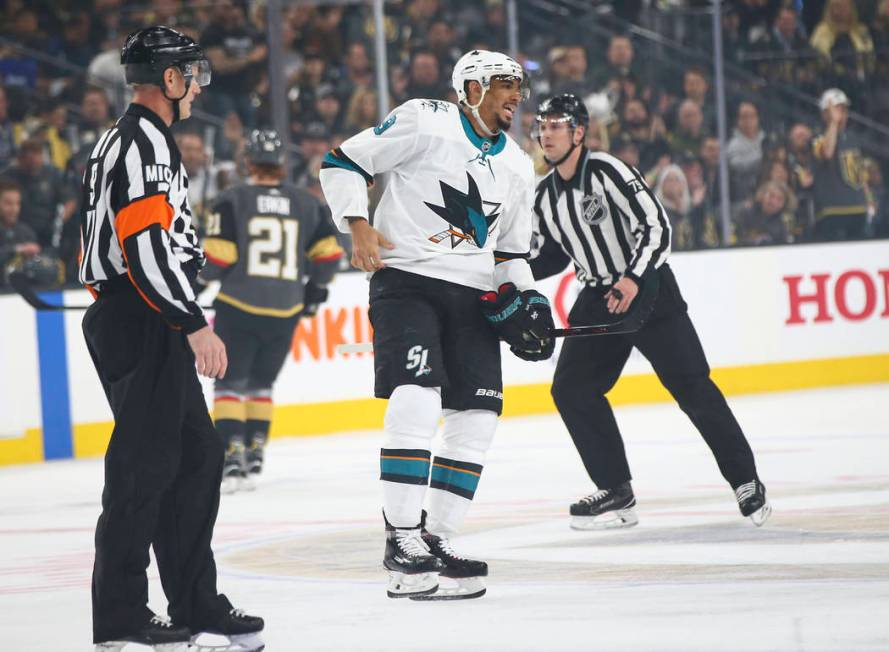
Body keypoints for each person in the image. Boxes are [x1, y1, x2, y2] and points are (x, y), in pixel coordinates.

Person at [319, 49, 554, 600]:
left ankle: (436, 539)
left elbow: (511, 252)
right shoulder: (427, 120)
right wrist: (358, 226)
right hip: (407, 283)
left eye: (518, 84)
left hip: (472, 295)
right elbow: (342, 161)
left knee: (478, 415)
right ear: (471, 89)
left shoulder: (519, 166)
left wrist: (529, 301)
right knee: (418, 398)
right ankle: (401, 536)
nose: (515, 94)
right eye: (503, 83)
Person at [76, 26, 263, 652]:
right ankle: (122, 616)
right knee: (144, 468)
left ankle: (195, 602)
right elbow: (145, 247)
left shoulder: (136, 139)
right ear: (171, 81)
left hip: (144, 312)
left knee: (196, 459)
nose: (200, 83)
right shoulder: (143, 145)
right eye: (192, 72)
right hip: (146, 316)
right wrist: (191, 324)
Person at [529, 93, 770, 532]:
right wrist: (506, 275)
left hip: (650, 289)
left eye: (555, 125)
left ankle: (745, 479)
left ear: (579, 132)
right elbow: (551, 257)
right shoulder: (543, 195)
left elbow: (657, 226)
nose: (546, 133)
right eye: (541, 126)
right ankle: (616, 490)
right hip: (599, 297)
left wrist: (633, 279)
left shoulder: (608, 170)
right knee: (571, 390)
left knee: (693, 387)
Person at [200, 128, 343, 493]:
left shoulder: (232, 198)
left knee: (230, 383)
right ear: (282, 162)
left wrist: (193, 284)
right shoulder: (307, 202)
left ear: (248, 161)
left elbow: (219, 256)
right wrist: (313, 291)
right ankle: (256, 450)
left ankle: (232, 454)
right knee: (262, 383)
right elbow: (328, 255)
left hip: (239, 304)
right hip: (286, 308)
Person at [811, 88, 871, 241]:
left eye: (843, 110)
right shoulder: (816, 136)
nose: (841, 115)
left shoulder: (852, 138)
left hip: (858, 207)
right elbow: (828, 152)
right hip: (832, 210)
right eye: (836, 110)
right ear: (824, 113)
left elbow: (859, 173)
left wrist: (868, 199)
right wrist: (833, 124)